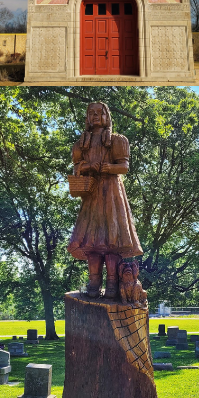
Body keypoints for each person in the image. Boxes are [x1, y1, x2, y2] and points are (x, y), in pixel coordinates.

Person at [68, 102, 143, 300]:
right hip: (91, 194)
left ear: (106, 116)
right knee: (92, 241)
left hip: (111, 193)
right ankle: (94, 281)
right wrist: (85, 166)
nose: (94, 116)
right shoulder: (81, 143)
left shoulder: (117, 140)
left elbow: (124, 167)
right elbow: (76, 168)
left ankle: (111, 282)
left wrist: (104, 167)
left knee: (112, 240)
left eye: (98, 112)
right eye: (90, 113)